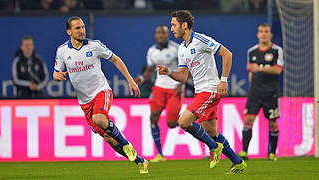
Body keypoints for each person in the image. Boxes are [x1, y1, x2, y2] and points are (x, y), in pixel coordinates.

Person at [53, 16, 149, 174]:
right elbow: (56, 73)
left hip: (101, 91)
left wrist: (130, 80)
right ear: (69, 31)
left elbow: (116, 60)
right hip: (84, 101)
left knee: (99, 118)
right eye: (77, 28)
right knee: (110, 140)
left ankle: (126, 144)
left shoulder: (95, 45)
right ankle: (141, 161)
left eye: (83, 27)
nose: (82, 30)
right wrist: (57, 77)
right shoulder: (62, 51)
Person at [157, 10, 247, 174]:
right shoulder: (181, 49)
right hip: (200, 92)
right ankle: (237, 162)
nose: (172, 29)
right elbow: (184, 77)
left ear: (184, 25)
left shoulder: (201, 40)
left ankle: (213, 148)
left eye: (174, 25)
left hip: (211, 90)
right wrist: (169, 72)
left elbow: (227, 54)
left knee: (183, 122)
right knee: (211, 132)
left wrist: (224, 80)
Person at [135, 24, 183, 162]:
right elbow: (150, 70)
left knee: (171, 123)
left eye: (163, 33)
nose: (161, 35)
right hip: (159, 88)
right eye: (158, 33)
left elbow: (187, 68)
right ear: (155, 35)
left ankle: (187, 119)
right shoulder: (151, 51)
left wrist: (181, 84)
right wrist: (142, 78)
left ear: (168, 35)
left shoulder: (177, 49)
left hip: (174, 88)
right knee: (153, 117)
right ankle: (160, 155)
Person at [238, 23, 284, 161]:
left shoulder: (277, 50)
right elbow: (251, 73)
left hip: (271, 93)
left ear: (270, 34)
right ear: (258, 34)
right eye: (261, 31)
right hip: (255, 93)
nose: (263, 34)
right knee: (248, 120)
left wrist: (259, 68)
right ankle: (244, 152)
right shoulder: (251, 51)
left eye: (266, 31)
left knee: (273, 123)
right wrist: (253, 87)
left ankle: (272, 153)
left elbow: (278, 70)